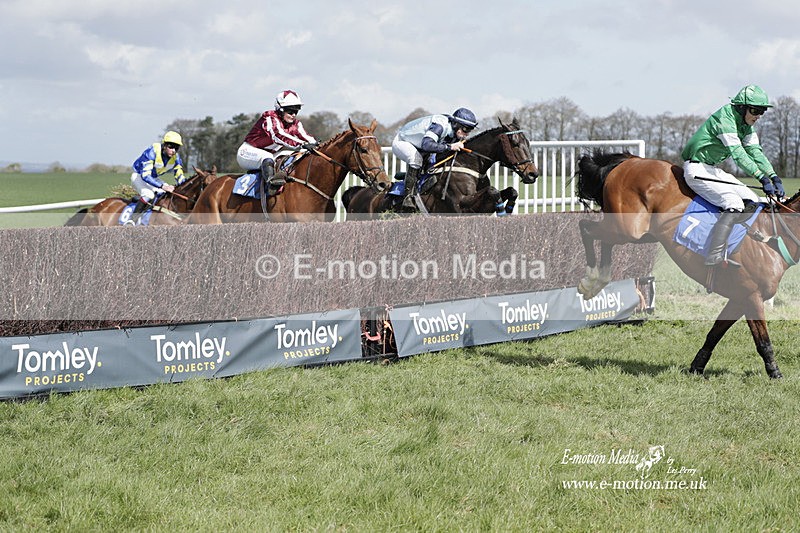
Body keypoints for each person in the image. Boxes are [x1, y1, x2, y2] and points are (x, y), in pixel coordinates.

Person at [681, 84, 783, 266]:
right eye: (755, 110)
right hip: (697, 170)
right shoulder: (725, 118)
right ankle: (714, 255)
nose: (758, 116)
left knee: (754, 200)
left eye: (762, 111)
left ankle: (736, 247)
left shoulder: (746, 126)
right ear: (742, 107)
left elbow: (756, 153)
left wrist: (773, 176)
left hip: (712, 169)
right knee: (734, 203)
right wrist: (761, 177)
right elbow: (738, 154)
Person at [392, 107, 478, 209]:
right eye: (465, 129)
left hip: (419, 145)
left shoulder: (454, 133)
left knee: (432, 164)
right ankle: (408, 198)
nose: (467, 134)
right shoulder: (439, 126)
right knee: (416, 160)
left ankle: (411, 178)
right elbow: (427, 145)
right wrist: (450, 147)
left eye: (470, 130)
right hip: (402, 141)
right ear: (456, 124)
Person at [237, 89, 318, 194]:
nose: (293, 115)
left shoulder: (296, 124)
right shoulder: (270, 118)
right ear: (280, 109)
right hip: (247, 152)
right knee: (267, 157)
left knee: (295, 155)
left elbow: (307, 138)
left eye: (296, 111)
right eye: (290, 111)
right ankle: (271, 186)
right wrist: (303, 144)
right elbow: (278, 135)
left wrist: (317, 146)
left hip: (271, 154)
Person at [130, 131, 186, 221]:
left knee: (167, 194)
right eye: (171, 147)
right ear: (164, 145)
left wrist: (185, 187)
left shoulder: (176, 158)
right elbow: (145, 176)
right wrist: (162, 186)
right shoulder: (153, 151)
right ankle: (132, 220)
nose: (174, 151)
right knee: (149, 195)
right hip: (139, 176)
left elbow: (179, 175)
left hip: (153, 178)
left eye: (176, 148)